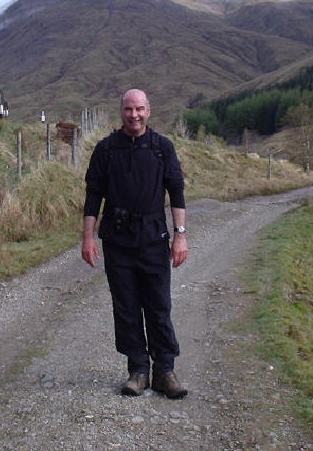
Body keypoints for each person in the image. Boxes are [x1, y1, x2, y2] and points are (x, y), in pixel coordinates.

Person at [81, 88, 188, 399]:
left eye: (139, 109)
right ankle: (137, 370)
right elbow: (92, 195)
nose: (134, 115)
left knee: (158, 305)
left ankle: (164, 371)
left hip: (154, 238)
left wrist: (180, 234)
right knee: (126, 306)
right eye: (129, 110)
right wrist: (88, 236)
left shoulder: (162, 148)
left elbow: (176, 192)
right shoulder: (105, 150)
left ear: (149, 111)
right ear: (121, 112)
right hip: (117, 239)